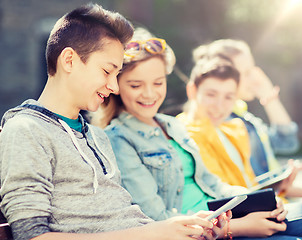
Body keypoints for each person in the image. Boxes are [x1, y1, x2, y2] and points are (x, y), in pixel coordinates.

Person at [94, 27, 302, 239]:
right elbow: (159, 219)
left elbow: (214, 184)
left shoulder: (170, 125)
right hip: (210, 229)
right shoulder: (119, 138)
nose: (150, 94)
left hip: (229, 214)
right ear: (117, 85)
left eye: (158, 82)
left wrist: (263, 202)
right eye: (136, 85)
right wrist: (238, 227)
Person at [0, 4, 225, 240]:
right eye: (107, 71)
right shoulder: (26, 130)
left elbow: (124, 220)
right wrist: (155, 233)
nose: (114, 87)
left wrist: (184, 229)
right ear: (69, 60)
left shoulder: (97, 137)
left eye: (116, 75)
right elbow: (31, 236)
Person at [177, 56, 302, 239]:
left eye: (228, 97)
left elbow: (250, 181)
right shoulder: (185, 136)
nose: (219, 105)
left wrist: (277, 187)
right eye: (211, 95)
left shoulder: (234, 128)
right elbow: (216, 194)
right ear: (193, 91)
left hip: (261, 208)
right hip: (235, 219)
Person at [189, 39, 302, 201]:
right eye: (247, 73)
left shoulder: (241, 116)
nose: (255, 77)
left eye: (253, 69)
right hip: (277, 204)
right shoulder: (224, 122)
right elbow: (257, 184)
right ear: (226, 73)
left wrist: (269, 96)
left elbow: (286, 141)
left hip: (282, 200)